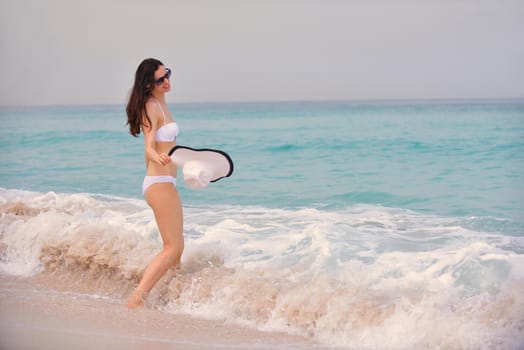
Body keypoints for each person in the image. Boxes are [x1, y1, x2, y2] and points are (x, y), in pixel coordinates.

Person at [125, 58, 183, 308]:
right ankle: (137, 298)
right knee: (173, 247)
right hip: (158, 182)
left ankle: (170, 299)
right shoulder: (151, 106)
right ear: (149, 84)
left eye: (167, 74)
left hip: (166, 182)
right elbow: (149, 147)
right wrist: (157, 157)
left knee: (176, 250)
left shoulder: (162, 103)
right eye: (161, 79)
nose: (167, 81)